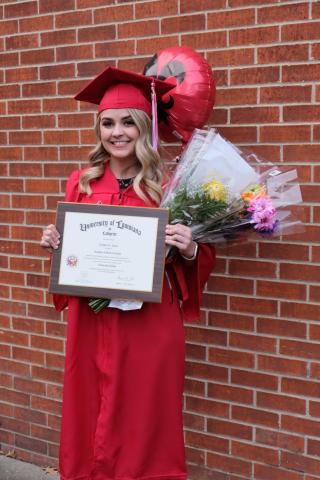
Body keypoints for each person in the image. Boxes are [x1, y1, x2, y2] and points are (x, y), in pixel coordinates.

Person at [40, 66, 215, 480]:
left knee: (145, 416)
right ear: (98, 128)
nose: (117, 133)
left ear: (144, 127)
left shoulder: (170, 186)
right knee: (89, 408)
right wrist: (56, 242)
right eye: (107, 123)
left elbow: (197, 262)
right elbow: (73, 257)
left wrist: (190, 247)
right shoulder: (80, 184)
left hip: (149, 324)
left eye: (127, 123)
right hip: (92, 319)